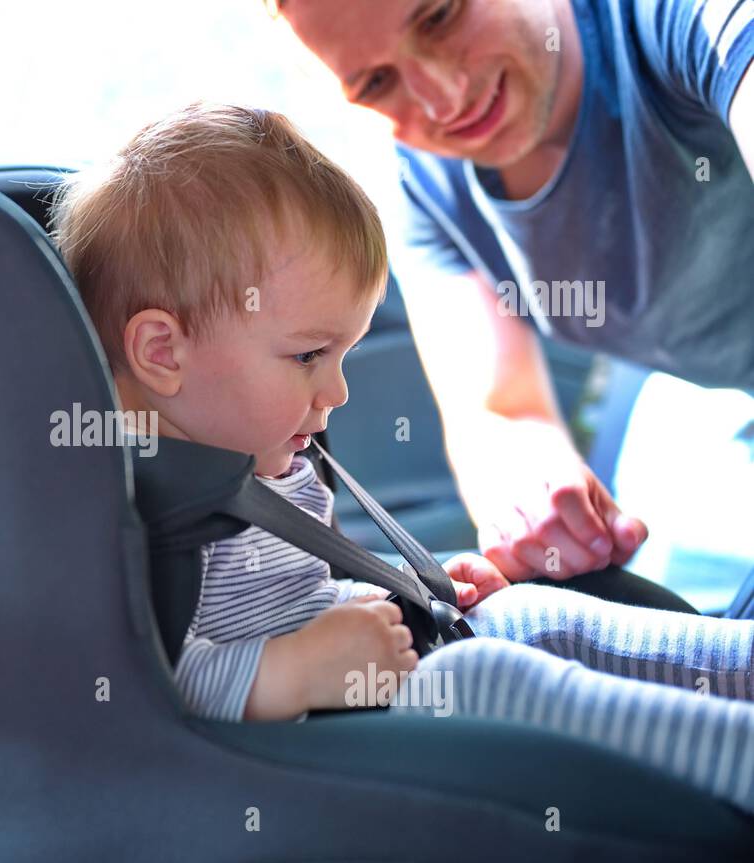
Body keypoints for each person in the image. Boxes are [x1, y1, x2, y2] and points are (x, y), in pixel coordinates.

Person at [50, 101, 754, 813]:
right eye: (307, 356)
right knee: (487, 677)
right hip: (302, 759)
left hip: (370, 680)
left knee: (537, 620)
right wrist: (291, 672)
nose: (338, 390)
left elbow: (300, 598)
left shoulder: (258, 463)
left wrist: (413, 593)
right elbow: (139, 690)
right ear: (163, 352)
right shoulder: (137, 514)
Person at [267, 0, 754, 614]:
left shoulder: (688, 19)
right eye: (377, 83)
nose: (444, 99)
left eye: (441, 17)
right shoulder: (419, 182)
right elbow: (501, 413)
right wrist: (542, 502)